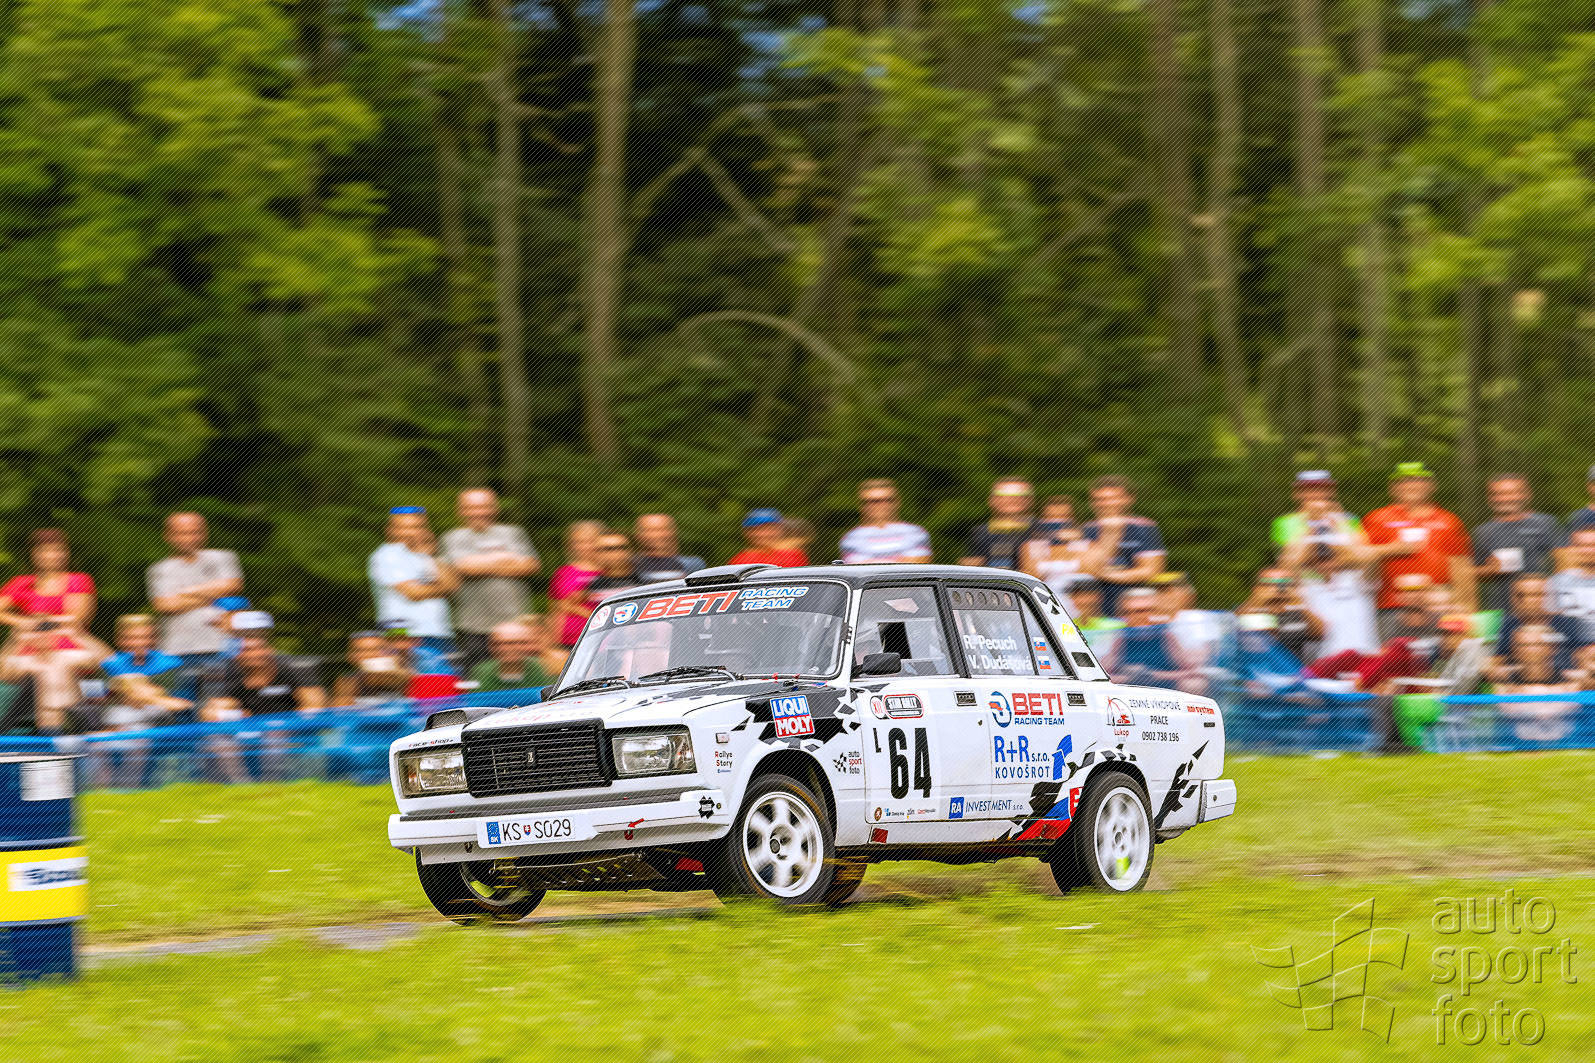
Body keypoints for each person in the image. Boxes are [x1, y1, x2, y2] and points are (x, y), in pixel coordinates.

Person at [1363, 462, 1474, 628]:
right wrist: (1390, 549)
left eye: (1419, 480)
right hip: (1390, 608)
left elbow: (1462, 570)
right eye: (1404, 481)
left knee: (1440, 647)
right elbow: (1360, 562)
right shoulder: (1376, 519)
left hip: (1440, 608)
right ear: (1393, 487)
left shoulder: (1449, 521)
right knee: (1393, 646)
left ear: (1432, 485)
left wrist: (1467, 611)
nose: (1411, 485)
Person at [440, 488, 540, 670]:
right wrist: (505, 557)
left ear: (494, 508)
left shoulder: (512, 533)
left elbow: (530, 565)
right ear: (461, 510)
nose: (479, 512)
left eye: (484, 506)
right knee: (478, 676)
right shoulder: (453, 537)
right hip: (474, 625)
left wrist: (479, 562)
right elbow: (464, 567)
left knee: (524, 677)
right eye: (472, 507)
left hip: (516, 623)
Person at [146, 512, 244, 670]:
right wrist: (215, 595)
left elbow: (233, 586)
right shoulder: (159, 569)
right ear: (168, 536)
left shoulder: (222, 558)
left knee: (221, 686)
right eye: (181, 533)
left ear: (204, 534)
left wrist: (186, 592)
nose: (188, 538)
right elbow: (165, 605)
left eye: (194, 532)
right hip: (177, 650)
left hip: (222, 646)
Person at [368, 506, 458, 659]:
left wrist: (432, 555)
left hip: (438, 633)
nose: (411, 532)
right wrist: (442, 587)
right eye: (404, 527)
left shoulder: (426, 553)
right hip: (404, 637)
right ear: (390, 530)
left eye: (418, 527)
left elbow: (453, 586)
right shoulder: (387, 555)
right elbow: (413, 593)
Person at [199, 613, 326, 721]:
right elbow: (209, 714)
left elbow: (315, 708)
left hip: (294, 731)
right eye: (242, 635)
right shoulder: (219, 669)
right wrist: (237, 715)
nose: (255, 653)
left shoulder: (297, 666)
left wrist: (279, 725)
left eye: (261, 635)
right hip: (243, 730)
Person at [1472, 473, 1561, 613]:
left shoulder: (1545, 523)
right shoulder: (1483, 532)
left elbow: (1565, 563)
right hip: (1501, 609)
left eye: (1513, 492)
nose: (1506, 498)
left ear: (1526, 494)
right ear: (1490, 498)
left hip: (1543, 609)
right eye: (1499, 494)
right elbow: (1469, 574)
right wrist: (1490, 570)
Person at [1078, 476, 1166, 615]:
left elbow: (1151, 570)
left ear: (1128, 499)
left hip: (1136, 609)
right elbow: (1082, 569)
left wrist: (1103, 574)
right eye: (1100, 499)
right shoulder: (1086, 529)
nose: (1106, 503)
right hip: (1093, 609)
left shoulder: (1142, 527)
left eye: (1113, 498)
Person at [0, 623, 110, 734]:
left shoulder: (68, 657)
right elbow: (3, 673)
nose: (43, 638)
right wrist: (16, 640)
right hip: (49, 727)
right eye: (39, 634)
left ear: (55, 636)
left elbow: (106, 660)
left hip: (77, 722)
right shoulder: (27, 661)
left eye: (48, 634)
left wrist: (78, 635)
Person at [1098, 588, 1204, 692]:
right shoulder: (1118, 634)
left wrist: (1152, 675)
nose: (1141, 616)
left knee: (1194, 684)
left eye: (1147, 610)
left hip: (1166, 684)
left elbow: (1190, 669)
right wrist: (1130, 677)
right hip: (1128, 687)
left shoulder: (1166, 631)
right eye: (1133, 612)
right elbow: (1103, 674)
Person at [1494, 623, 1584, 743]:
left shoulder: (1574, 683)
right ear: (1514, 650)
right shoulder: (1503, 687)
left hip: (1568, 747)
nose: (1530, 650)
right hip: (1519, 749)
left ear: (1552, 647)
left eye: (1538, 644)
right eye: (1523, 645)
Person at [1486, 574, 1587, 682]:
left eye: (1537, 594)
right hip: (1522, 685)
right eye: (1521, 595)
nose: (1530, 600)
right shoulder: (1510, 624)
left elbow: (1587, 661)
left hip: (1567, 686)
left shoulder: (1568, 623)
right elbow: (1494, 665)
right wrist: (1519, 671)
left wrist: (1565, 677)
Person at [0, 528, 95, 641]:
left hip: (69, 646)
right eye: (45, 551)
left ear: (66, 553)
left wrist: (38, 622)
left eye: (58, 550)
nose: (52, 556)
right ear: (34, 554)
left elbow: (77, 619)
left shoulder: (78, 580)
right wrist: (22, 621)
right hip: (31, 646)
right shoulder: (21, 582)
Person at [1236, 568, 1324, 663]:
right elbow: (1232, 629)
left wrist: (1299, 603)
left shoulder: (1298, 612)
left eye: (1286, 582)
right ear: (1257, 588)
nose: (1279, 587)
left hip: (1292, 669)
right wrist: (1258, 600)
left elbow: (1320, 634)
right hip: (1256, 669)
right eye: (1269, 583)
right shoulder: (1250, 611)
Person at [839, 479, 933, 564]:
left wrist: (873, 562)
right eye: (872, 501)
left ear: (897, 502)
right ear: (862, 505)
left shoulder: (916, 532)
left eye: (887, 500)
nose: (880, 505)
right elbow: (856, 570)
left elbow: (917, 567)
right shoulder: (851, 537)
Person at [1271, 470, 1364, 555]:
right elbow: (1288, 556)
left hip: (1346, 566)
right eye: (1308, 490)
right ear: (1296, 493)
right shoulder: (1285, 521)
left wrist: (1338, 522)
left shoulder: (1349, 518)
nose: (1316, 494)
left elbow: (1361, 552)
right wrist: (1312, 525)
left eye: (1322, 489)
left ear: (1332, 491)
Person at [549, 520, 606, 648]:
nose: (585, 546)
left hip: (601, 639)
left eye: (590, 541)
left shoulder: (609, 572)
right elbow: (556, 610)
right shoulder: (563, 572)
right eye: (579, 542)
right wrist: (553, 643)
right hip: (568, 640)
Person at [959, 478, 1035, 569]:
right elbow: (971, 565)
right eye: (1003, 494)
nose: (1012, 499)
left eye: (1021, 494)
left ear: (1031, 499)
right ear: (991, 500)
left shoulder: (1044, 529)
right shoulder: (980, 532)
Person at [1019, 495, 1085, 597]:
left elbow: (1091, 569)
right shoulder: (1031, 545)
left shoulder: (1084, 543)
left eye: (1063, 518)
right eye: (1051, 519)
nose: (1057, 523)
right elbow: (1030, 574)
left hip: (1078, 597)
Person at [330, 630, 414, 707]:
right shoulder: (347, 681)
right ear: (351, 656)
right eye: (363, 650)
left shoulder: (407, 672)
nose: (372, 654)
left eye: (378, 649)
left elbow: (406, 677)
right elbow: (341, 709)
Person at [467, 620, 555, 693]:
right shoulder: (480, 671)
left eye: (518, 642)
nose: (508, 648)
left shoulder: (545, 668)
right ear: (491, 646)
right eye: (500, 643)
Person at [1550, 527, 1595, 642]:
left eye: (1592, 545)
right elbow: (1551, 621)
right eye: (1581, 545)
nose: (1588, 551)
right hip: (1569, 645)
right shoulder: (1556, 582)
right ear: (1572, 548)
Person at [632, 514, 706, 582]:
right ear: (637, 534)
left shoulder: (694, 564)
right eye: (649, 530)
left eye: (661, 529)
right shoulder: (630, 565)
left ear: (674, 531)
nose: (656, 535)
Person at [728, 509, 808, 567]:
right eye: (756, 529)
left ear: (781, 529)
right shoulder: (739, 559)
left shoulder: (792, 555)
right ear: (746, 532)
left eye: (769, 528)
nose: (763, 534)